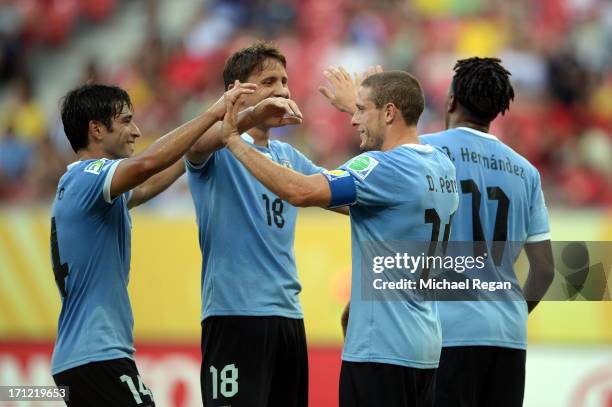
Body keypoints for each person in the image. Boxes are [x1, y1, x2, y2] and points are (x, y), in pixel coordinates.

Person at [217, 70, 459, 407]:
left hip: (382, 350)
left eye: (361, 109)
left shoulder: (379, 168)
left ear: (388, 112)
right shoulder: (442, 168)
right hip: (426, 346)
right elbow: (389, 209)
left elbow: (300, 191)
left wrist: (231, 141)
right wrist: (361, 108)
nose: (353, 120)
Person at [50, 82, 255, 406]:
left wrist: (217, 136)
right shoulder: (89, 177)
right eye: (126, 121)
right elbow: (148, 165)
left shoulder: (86, 187)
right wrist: (213, 112)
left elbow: (154, 178)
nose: (136, 131)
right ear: (97, 129)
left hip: (82, 357)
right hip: (96, 355)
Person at [185, 41, 334, 407]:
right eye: (269, 82)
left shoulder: (289, 157)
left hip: (288, 318)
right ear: (237, 91)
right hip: (234, 316)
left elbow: (341, 194)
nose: (282, 90)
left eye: (284, 81)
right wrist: (246, 118)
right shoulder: (218, 149)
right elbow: (195, 146)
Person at [420, 57, 554, 407]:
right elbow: (544, 270)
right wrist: (509, 311)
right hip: (507, 336)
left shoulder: (422, 152)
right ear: (497, 110)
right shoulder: (526, 172)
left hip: (446, 332)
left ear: (450, 100)